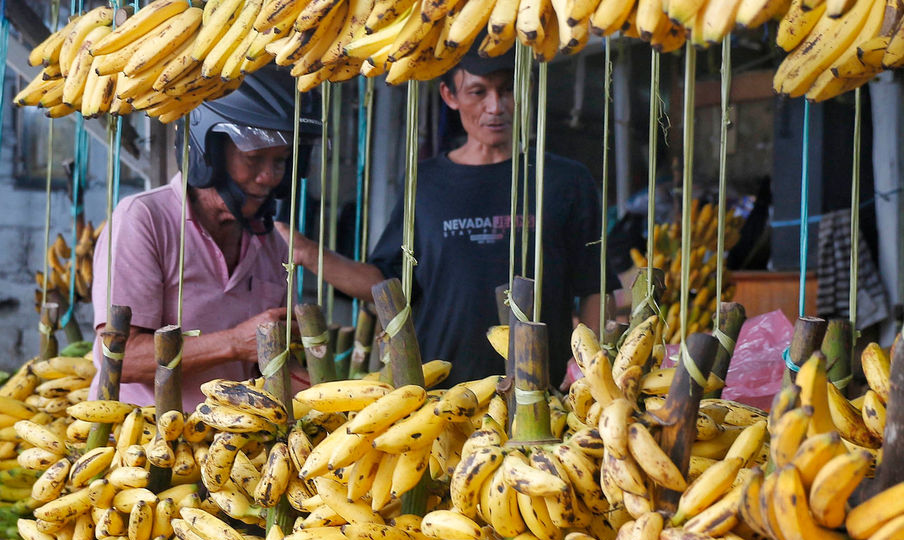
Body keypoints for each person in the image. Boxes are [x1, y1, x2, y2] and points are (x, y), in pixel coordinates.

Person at [280, 52, 616, 388]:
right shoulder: (425, 183)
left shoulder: (564, 180)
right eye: (478, 92)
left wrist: (584, 370)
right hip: (441, 394)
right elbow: (384, 281)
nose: (496, 106)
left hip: (543, 391)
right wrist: (307, 252)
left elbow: (596, 287)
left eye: (506, 89)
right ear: (449, 96)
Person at [89, 68, 321, 411]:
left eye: (281, 162)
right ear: (208, 154)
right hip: (140, 443)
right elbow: (121, 359)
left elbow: (266, 364)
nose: (268, 177)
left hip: (231, 441)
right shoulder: (145, 220)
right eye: (254, 159)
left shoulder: (270, 243)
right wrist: (233, 343)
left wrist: (333, 396)